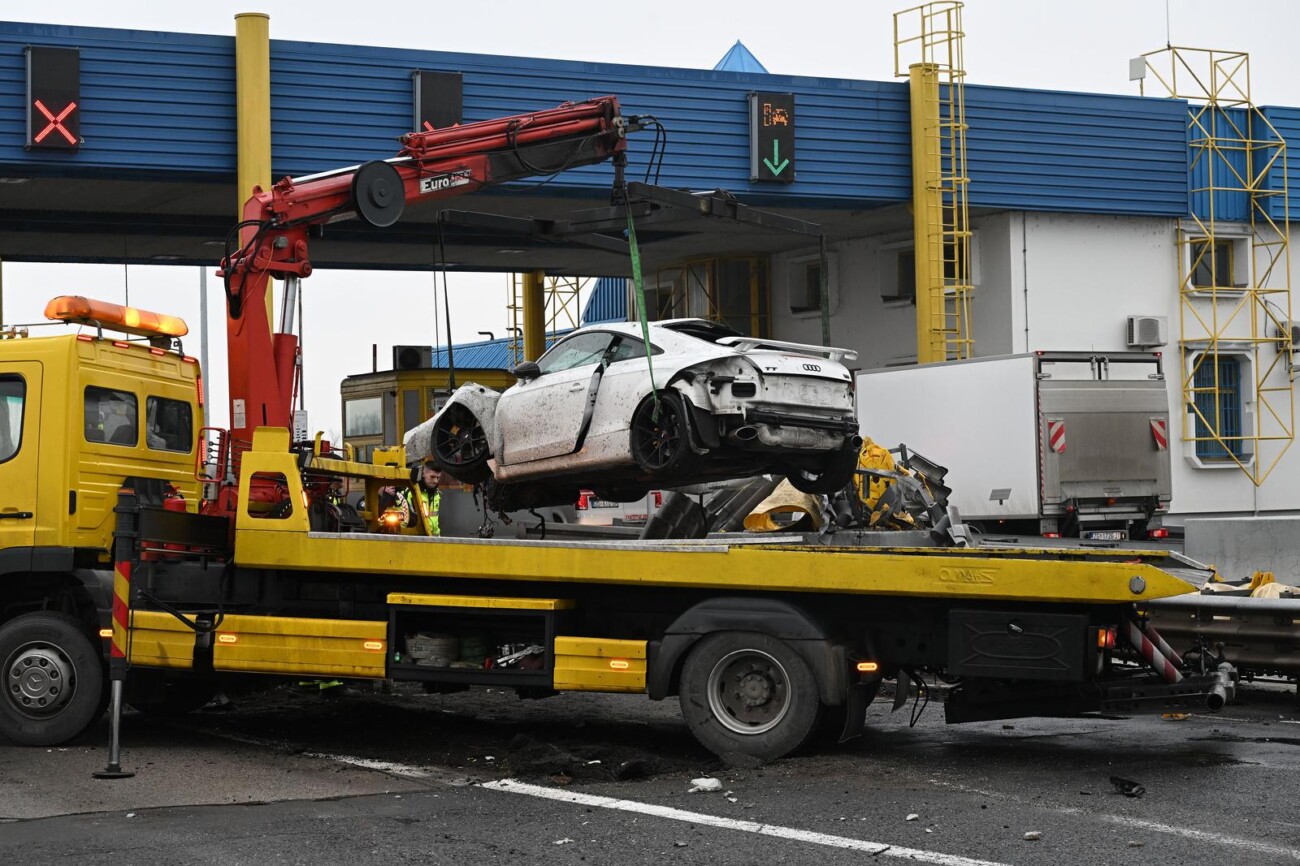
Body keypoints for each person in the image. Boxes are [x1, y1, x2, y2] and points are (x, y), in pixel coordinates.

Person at [397, 460, 443, 536]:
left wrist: (437, 537)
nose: (435, 481)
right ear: (423, 474)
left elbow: (434, 520)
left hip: (432, 538)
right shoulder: (411, 493)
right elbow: (404, 518)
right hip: (415, 537)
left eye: (438, 478)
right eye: (432, 477)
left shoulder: (436, 493)